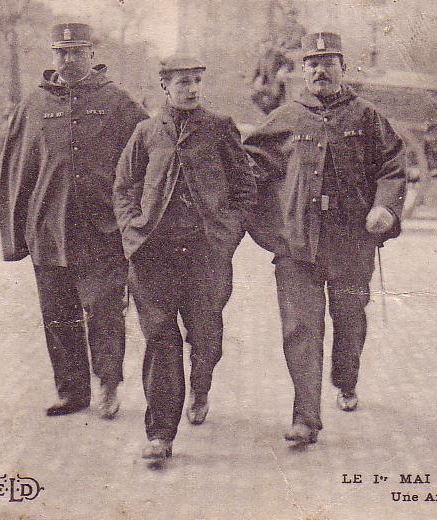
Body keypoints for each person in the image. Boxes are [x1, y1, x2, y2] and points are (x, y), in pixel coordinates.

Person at [244, 32, 406, 446]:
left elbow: (393, 163)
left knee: (349, 320)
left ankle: (346, 379)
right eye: (312, 63)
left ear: (342, 68)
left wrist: (384, 206)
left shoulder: (367, 116)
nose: (320, 70)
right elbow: (251, 162)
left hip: (352, 241)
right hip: (298, 244)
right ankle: (306, 417)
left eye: (329, 62)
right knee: (300, 328)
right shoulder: (286, 117)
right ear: (302, 71)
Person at [0, 23, 147, 418]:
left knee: (104, 312)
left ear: (91, 55)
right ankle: (71, 390)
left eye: (77, 52)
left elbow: (145, 159)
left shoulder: (118, 102)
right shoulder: (32, 106)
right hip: (49, 231)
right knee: (58, 314)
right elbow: (17, 171)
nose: (68, 59)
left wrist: (135, 221)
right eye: (61, 52)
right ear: (52, 56)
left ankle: (108, 384)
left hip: (104, 230)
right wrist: (16, 235)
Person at [113, 54, 256, 460]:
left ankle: (202, 383)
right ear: (164, 86)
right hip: (153, 255)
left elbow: (245, 189)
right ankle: (160, 434)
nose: (191, 89)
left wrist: (227, 235)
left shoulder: (220, 128)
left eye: (196, 80)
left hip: (205, 254)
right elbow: (123, 187)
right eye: (182, 82)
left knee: (205, 335)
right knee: (160, 338)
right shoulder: (145, 132)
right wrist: (132, 230)